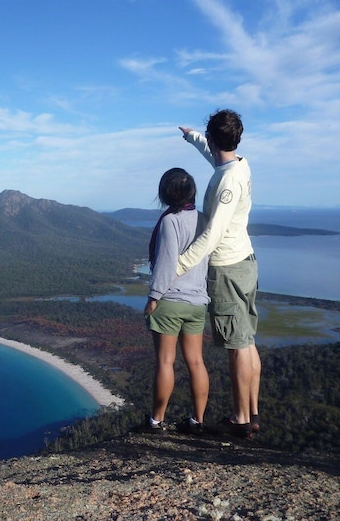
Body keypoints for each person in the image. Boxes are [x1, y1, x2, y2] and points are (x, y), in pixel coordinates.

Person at [177, 109, 260, 439]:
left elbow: (211, 235)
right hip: (245, 261)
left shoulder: (226, 180)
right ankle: (252, 412)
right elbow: (215, 157)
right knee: (248, 341)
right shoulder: (238, 165)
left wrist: (179, 265)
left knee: (237, 346)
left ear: (215, 139)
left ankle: (239, 420)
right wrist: (193, 137)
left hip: (227, 268)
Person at [142, 168, 210, 434]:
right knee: (196, 361)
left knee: (165, 361)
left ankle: (157, 421)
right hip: (197, 301)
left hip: (170, 299)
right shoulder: (204, 219)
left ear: (164, 193)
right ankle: (198, 420)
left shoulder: (171, 221)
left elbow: (166, 262)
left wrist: (153, 297)